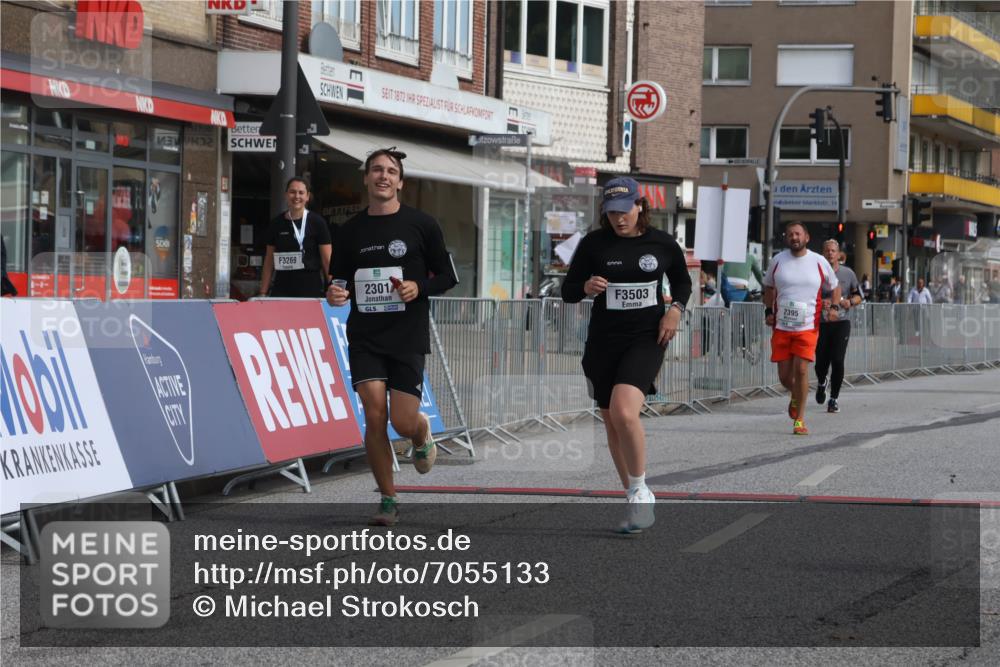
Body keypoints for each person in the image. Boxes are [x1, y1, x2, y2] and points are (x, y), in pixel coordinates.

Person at [326, 148, 458, 527]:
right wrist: (334, 293)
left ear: (400, 181)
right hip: (366, 334)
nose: (383, 176)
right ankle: (387, 498)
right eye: (377, 170)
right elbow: (338, 280)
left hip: (407, 335)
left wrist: (420, 286)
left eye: (391, 171)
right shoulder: (350, 231)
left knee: (401, 421)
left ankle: (420, 435)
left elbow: (448, 276)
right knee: (373, 412)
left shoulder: (422, 224)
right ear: (366, 179)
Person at [561, 177, 692, 533]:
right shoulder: (594, 244)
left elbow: (683, 281)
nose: (618, 219)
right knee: (611, 419)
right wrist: (585, 287)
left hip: (646, 338)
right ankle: (635, 494)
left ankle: (639, 490)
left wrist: (675, 310)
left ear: (639, 206)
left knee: (623, 411)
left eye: (624, 211)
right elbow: (568, 290)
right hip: (603, 341)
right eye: (611, 212)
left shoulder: (662, 243)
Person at [763, 221, 839, 436]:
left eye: (797, 234)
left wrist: (833, 307)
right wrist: (768, 311)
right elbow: (769, 287)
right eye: (790, 234)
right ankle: (795, 395)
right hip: (782, 326)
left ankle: (800, 420)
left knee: (802, 370)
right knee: (785, 378)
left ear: (806, 237)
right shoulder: (778, 261)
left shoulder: (818, 261)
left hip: (807, 326)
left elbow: (835, 287)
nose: (794, 237)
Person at [258, 177, 332, 297]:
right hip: (281, 289)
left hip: (310, 289)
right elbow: (269, 260)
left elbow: (327, 260)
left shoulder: (317, 222)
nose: (296, 196)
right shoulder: (276, 223)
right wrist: (263, 292)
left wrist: (333, 288)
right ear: (286, 195)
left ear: (307, 196)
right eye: (292, 192)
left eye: (301, 193)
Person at [814, 240, 862, 414]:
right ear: (822, 253)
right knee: (820, 362)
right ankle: (821, 382)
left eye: (833, 251)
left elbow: (859, 296)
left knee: (838, 360)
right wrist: (822, 303)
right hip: (820, 322)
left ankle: (833, 399)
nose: (830, 254)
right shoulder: (815, 273)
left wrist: (849, 301)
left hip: (841, 322)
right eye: (826, 251)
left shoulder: (847, 273)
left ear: (838, 254)